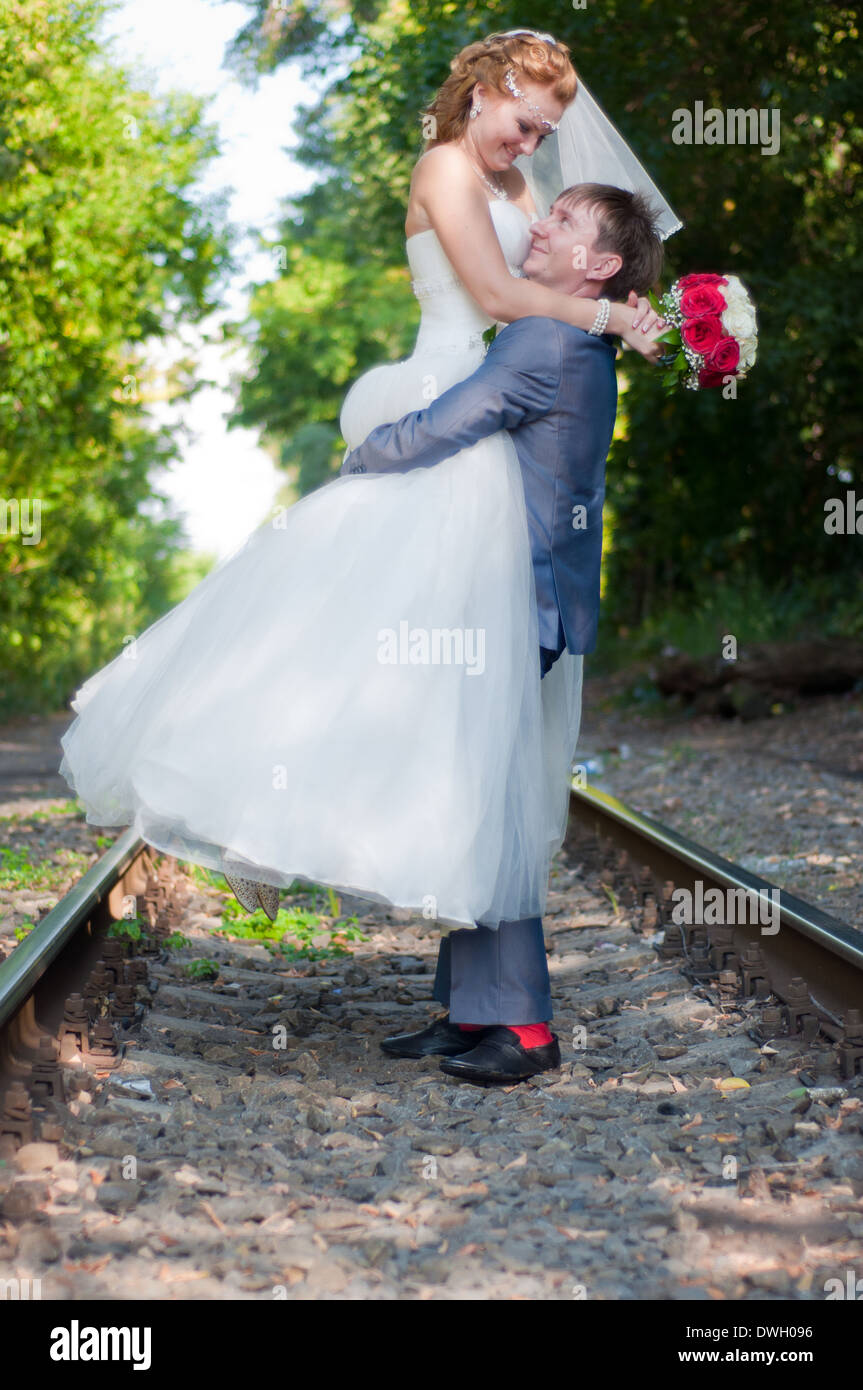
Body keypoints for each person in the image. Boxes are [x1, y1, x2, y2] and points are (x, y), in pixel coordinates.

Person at [58, 30, 677, 1003]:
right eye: (525, 125)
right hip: (455, 396)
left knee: (457, 709)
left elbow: (551, 283)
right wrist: (611, 319)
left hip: (492, 411)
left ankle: (488, 1001)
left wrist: (618, 310)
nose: (531, 148)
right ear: (488, 90)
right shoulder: (443, 166)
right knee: (350, 640)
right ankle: (459, 975)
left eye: (548, 134)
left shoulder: (524, 197)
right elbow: (492, 292)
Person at [342, 182, 664, 1085]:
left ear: (597, 265)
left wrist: (359, 453)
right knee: (477, 795)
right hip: (524, 597)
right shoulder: (580, 332)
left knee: (494, 808)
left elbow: (445, 427)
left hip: (514, 602)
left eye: (564, 221)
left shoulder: (543, 338)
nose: (541, 223)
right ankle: (469, 1010)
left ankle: (523, 1028)